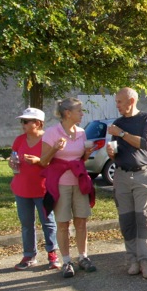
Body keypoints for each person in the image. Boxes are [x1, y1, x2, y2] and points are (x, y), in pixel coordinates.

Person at [40, 98, 96, 279]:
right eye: (79, 110)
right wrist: (54, 149)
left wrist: (86, 154)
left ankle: (83, 257)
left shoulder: (81, 132)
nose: (82, 113)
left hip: (79, 182)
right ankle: (66, 261)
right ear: (67, 113)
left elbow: (80, 161)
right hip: (60, 184)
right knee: (63, 223)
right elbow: (43, 161)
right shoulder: (51, 133)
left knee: (82, 221)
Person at [106, 87, 147, 279]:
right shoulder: (117, 123)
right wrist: (111, 153)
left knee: (144, 219)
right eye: (117, 102)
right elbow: (116, 149)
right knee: (127, 220)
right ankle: (132, 259)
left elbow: (145, 144)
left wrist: (121, 133)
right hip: (121, 176)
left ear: (131, 101)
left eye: (120, 101)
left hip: (142, 176)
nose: (117, 105)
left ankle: (146, 261)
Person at [10, 108, 59, 271]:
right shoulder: (19, 140)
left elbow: (55, 164)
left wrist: (39, 160)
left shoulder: (48, 139)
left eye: (26, 121)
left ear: (37, 123)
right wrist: (12, 163)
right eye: (22, 121)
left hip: (43, 188)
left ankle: (52, 253)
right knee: (26, 223)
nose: (22, 124)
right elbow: (14, 158)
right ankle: (29, 255)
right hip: (22, 188)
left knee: (48, 222)